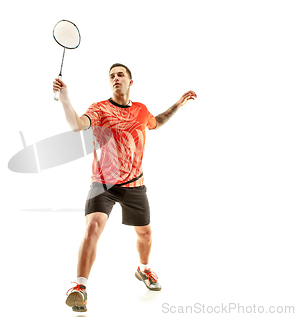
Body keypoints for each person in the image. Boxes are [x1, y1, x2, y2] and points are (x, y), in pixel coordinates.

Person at [52, 63, 197, 312]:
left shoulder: (141, 110)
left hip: (134, 184)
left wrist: (178, 105)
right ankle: (80, 287)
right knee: (93, 227)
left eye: (120, 74)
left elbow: (156, 122)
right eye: (111, 76)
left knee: (146, 234)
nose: (115, 78)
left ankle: (143, 270)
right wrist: (65, 98)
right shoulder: (99, 109)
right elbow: (77, 124)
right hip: (103, 183)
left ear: (131, 82)